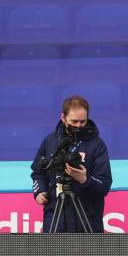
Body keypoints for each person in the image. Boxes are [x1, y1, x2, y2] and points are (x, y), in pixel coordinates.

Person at [31, 96, 112, 233]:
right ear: (63, 117)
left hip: (87, 221)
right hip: (56, 219)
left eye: (83, 121)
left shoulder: (97, 145)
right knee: (52, 254)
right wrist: (40, 191)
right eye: (74, 121)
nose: (79, 126)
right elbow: (38, 172)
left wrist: (85, 179)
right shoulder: (50, 141)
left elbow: (104, 185)